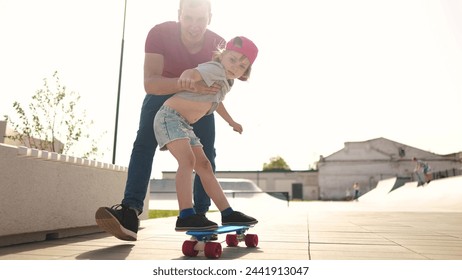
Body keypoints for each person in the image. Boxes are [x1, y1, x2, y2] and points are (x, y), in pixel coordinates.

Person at [95, 0, 225, 241]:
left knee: (205, 154)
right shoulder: (159, 33)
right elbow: (151, 83)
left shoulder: (218, 45)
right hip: (163, 92)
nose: (194, 25)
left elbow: (222, 85)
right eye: (189, 18)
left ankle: (200, 215)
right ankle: (130, 212)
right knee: (144, 144)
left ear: (210, 17)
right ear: (179, 15)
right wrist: (185, 83)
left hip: (198, 101)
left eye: (201, 19)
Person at [154, 36, 259, 231]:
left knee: (204, 166)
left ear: (245, 73)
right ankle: (186, 214)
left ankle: (227, 213)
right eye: (232, 60)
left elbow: (216, 102)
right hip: (170, 117)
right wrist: (186, 76)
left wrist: (231, 122)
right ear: (222, 56)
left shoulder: (227, 82)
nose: (235, 67)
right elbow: (194, 72)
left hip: (184, 124)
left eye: (242, 66)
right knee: (187, 162)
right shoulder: (215, 69)